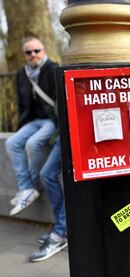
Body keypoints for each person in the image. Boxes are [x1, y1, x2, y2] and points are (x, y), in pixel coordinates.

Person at [5, 37, 58, 216]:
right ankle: (26, 188)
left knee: (32, 143)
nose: (33, 55)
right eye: (29, 52)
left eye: (37, 51)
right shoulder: (22, 73)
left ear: (44, 50)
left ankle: (32, 187)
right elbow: (21, 102)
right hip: (32, 121)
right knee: (11, 143)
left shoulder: (53, 69)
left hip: (51, 121)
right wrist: (21, 125)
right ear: (24, 55)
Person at [30, 137, 67, 262]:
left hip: (79, 131)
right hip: (63, 133)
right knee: (47, 174)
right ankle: (62, 227)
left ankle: (59, 234)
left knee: (72, 181)